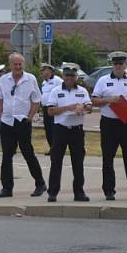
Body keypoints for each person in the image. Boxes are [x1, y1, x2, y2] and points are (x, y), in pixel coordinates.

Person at [91, 51, 127, 200]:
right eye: (115, 63)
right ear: (112, 65)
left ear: (126, 65)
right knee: (108, 158)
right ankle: (109, 191)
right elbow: (94, 100)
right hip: (109, 123)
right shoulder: (103, 80)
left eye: (121, 63)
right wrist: (109, 100)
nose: (118, 66)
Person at [0, 53, 47, 198]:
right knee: (7, 155)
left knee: (28, 152)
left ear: (23, 65)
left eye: (20, 64)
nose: (17, 67)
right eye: (15, 64)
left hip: (23, 121)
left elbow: (36, 100)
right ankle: (7, 188)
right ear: (10, 65)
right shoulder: (3, 80)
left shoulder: (30, 79)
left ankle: (40, 183)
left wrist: (30, 117)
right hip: (7, 121)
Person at [46, 65, 91, 202]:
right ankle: (52, 192)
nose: (69, 78)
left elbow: (89, 107)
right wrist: (68, 108)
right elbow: (50, 111)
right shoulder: (56, 91)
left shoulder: (82, 91)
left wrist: (83, 107)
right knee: (56, 161)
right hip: (61, 129)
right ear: (63, 76)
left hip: (77, 130)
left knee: (78, 162)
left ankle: (79, 192)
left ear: (76, 76)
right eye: (67, 76)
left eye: (72, 76)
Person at [39, 63, 64, 155]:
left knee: (54, 129)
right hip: (46, 108)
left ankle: (57, 149)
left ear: (49, 70)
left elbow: (63, 91)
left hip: (54, 108)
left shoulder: (57, 80)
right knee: (48, 129)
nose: (42, 72)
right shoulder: (44, 82)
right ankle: (52, 148)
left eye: (44, 70)